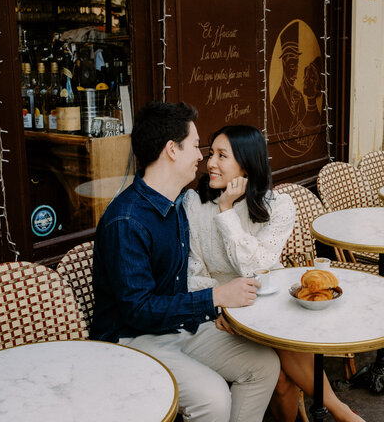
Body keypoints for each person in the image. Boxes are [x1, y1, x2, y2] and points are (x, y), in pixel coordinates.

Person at [90, 101, 280, 422]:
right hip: (129, 339)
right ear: (171, 150)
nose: (201, 157)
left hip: (175, 327)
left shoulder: (177, 203)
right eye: (195, 146)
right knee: (213, 397)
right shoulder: (127, 220)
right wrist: (214, 298)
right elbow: (139, 310)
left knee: (264, 365)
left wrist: (213, 311)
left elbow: (184, 282)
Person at [185, 124, 365, 422]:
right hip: (221, 311)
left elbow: (257, 267)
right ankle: (342, 412)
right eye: (210, 153)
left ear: (246, 163)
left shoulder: (279, 206)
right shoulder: (194, 203)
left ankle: (339, 411)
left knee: (285, 366)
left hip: (268, 300)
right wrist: (222, 306)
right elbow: (193, 272)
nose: (210, 163)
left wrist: (227, 211)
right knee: (280, 378)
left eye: (222, 155)